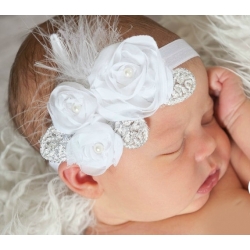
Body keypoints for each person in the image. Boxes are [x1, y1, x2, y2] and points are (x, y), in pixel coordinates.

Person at [3, 15, 250, 234]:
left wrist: (236, 114)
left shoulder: (224, 170)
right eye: (174, 147)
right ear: (85, 177)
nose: (208, 143)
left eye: (206, 118)